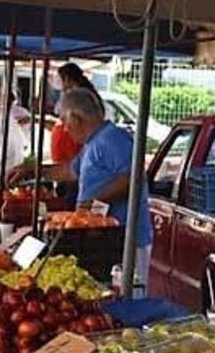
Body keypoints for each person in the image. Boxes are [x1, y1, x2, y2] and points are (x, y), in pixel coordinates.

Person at [8, 87, 153, 285]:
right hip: (99, 239)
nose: (65, 129)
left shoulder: (113, 138)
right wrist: (33, 171)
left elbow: (134, 178)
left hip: (126, 239)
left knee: (126, 294)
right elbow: (70, 171)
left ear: (76, 118)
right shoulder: (92, 143)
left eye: (65, 122)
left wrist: (93, 202)